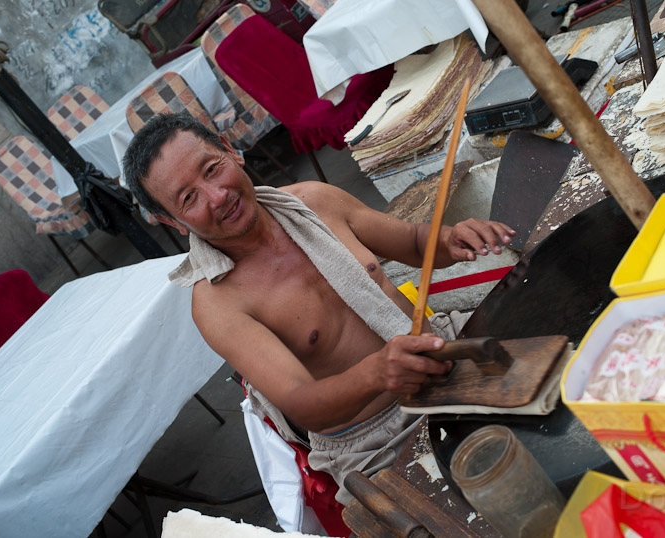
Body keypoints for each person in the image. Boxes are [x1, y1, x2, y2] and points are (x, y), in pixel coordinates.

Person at [123, 112, 516, 504]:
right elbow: (302, 402)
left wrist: (451, 239)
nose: (217, 196)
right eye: (188, 199)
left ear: (231, 151)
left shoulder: (313, 200)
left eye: (212, 169)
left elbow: (413, 243)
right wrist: (378, 373)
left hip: (443, 351)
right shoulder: (217, 304)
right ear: (170, 221)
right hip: (375, 440)